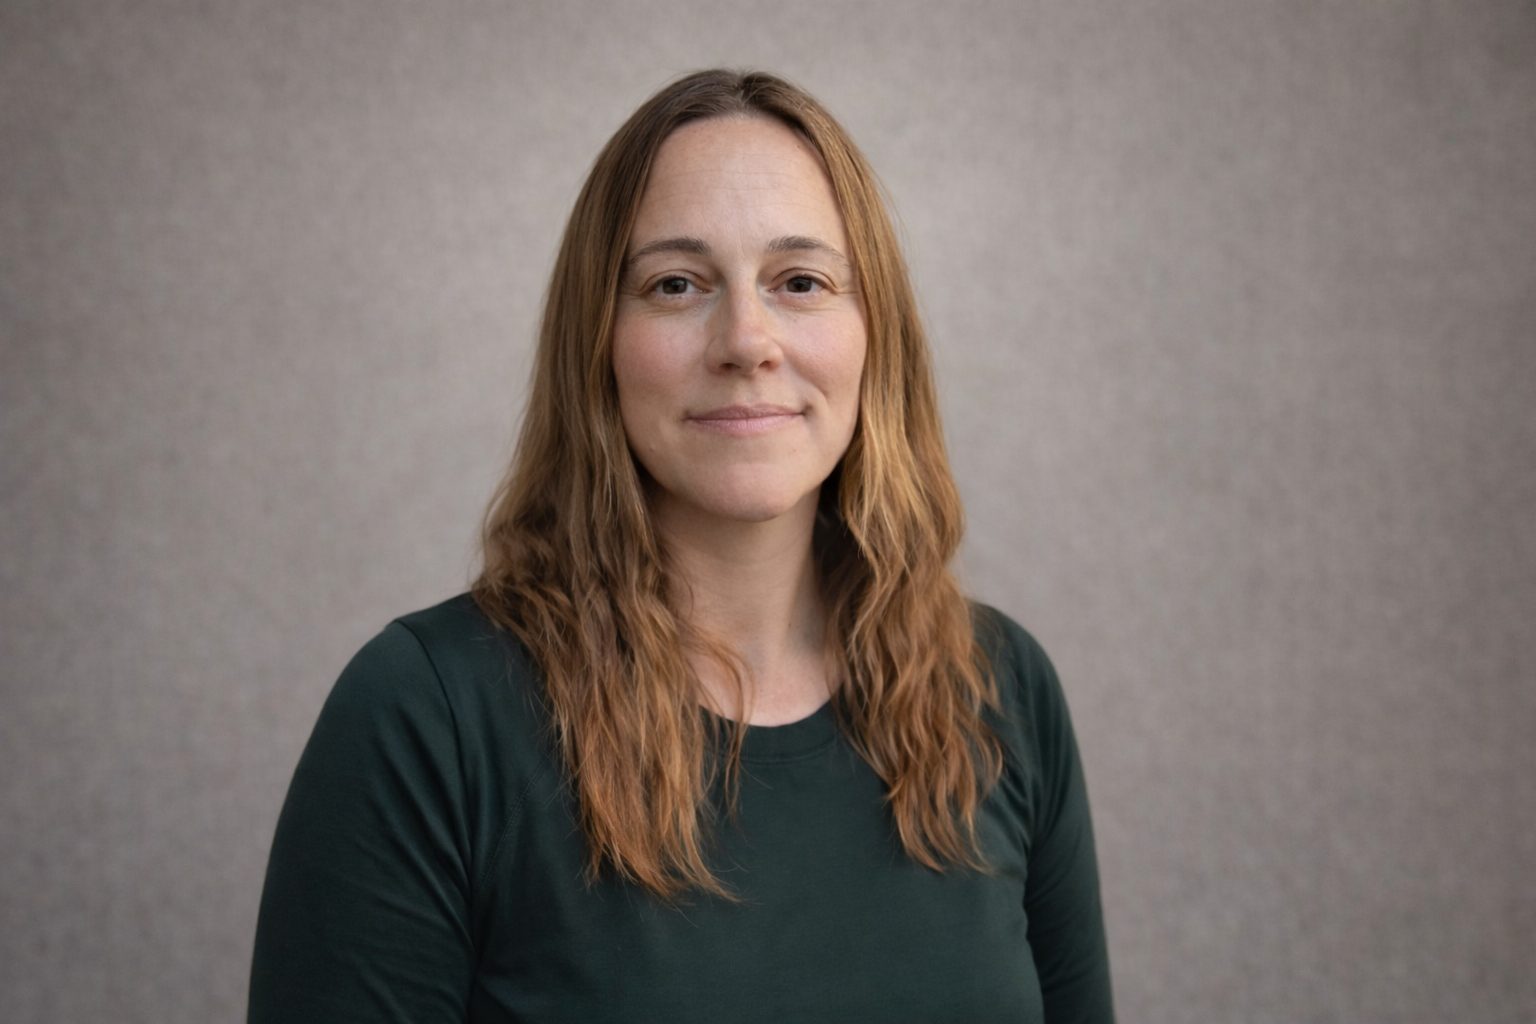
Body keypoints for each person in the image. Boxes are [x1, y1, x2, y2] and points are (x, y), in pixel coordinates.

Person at [248, 69, 1114, 1024]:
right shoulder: (426, 717)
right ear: (600, 343)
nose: (747, 340)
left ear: (877, 337)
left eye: (801, 282)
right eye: (675, 284)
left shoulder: (1000, 691)